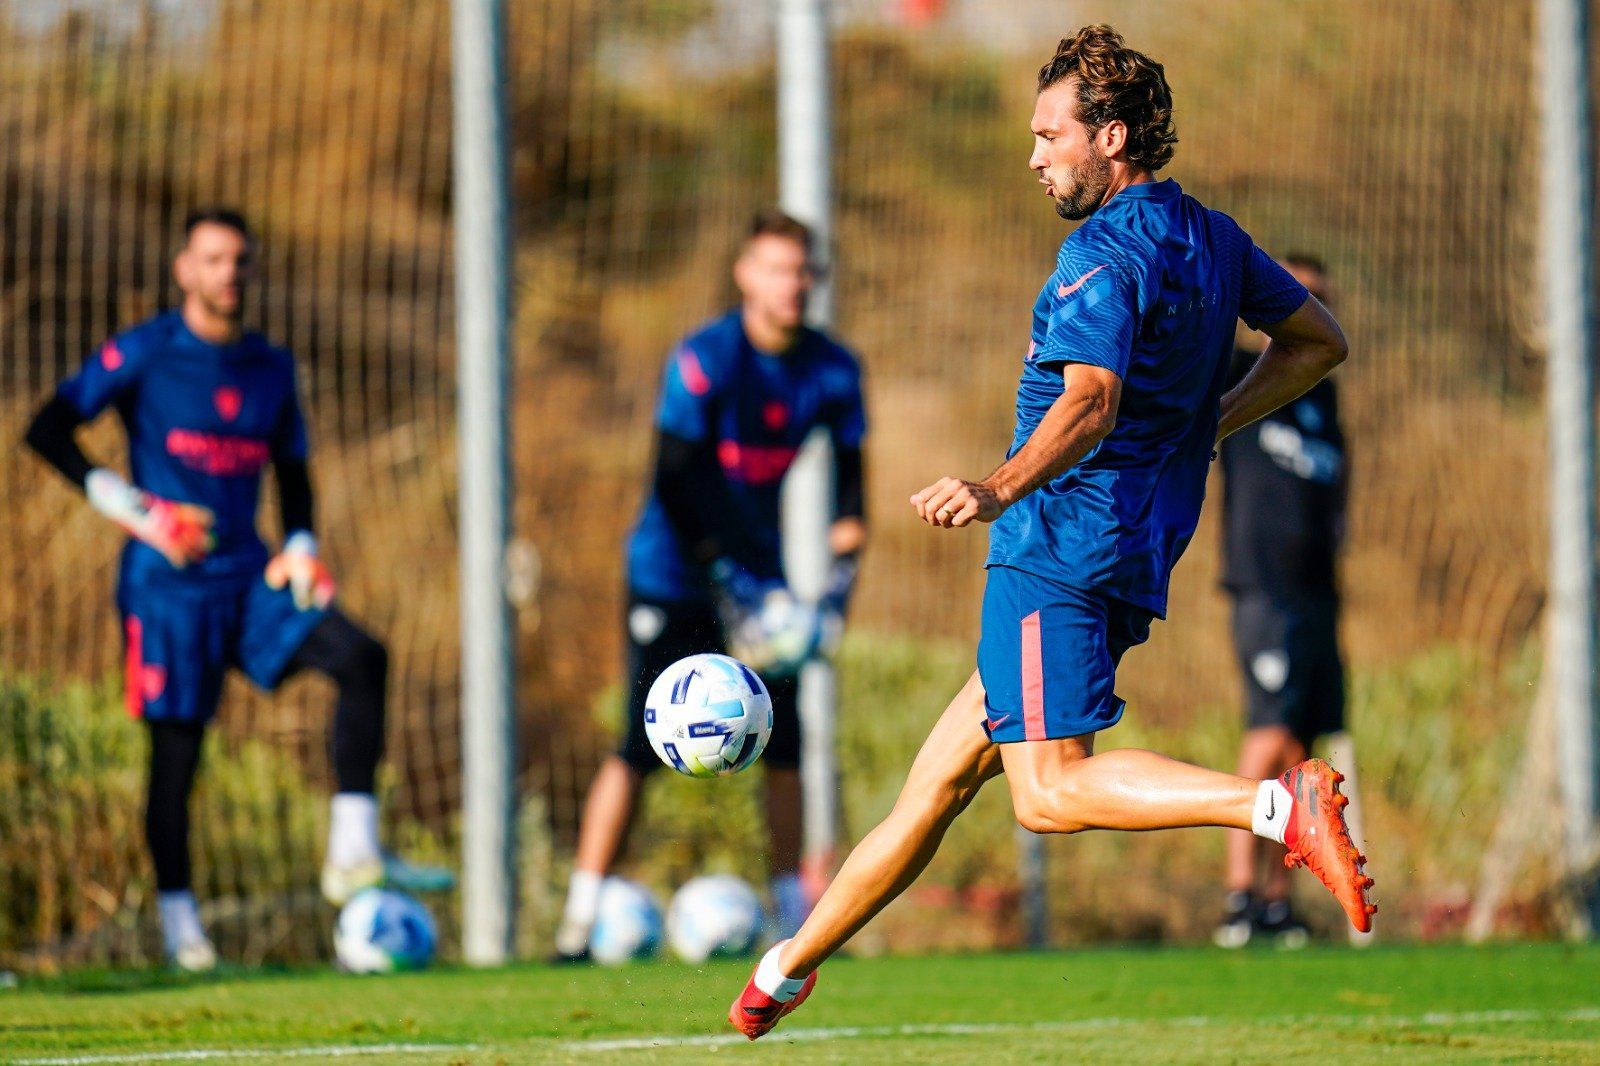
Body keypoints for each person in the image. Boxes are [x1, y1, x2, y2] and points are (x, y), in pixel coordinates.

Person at [728, 26, 1372, 1039]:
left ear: (1110, 137)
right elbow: (1316, 342)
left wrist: (993, 486)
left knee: (1048, 793)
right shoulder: (1209, 235)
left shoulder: (1102, 252)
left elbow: (1090, 401)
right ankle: (785, 965)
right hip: (1130, 549)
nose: (1033, 156)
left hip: (1059, 547)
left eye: (1048, 135)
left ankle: (1274, 808)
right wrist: (1211, 420)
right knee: (936, 785)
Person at [23, 209, 451, 971]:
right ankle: (184, 933)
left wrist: (302, 547)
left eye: (240, 261)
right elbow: (48, 427)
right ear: (185, 270)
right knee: (177, 758)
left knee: (362, 656)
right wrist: (141, 512)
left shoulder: (270, 366)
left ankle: (352, 850)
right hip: (167, 589)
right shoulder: (148, 352)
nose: (228, 273)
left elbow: (292, 471)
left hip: (252, 578)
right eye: (213, 259)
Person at [552, 210, 869, 960]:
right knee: (637, 740)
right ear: (745, 275)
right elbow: (674, 474)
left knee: (784, 738)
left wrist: (832, 599)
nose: (790, 285)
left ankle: (798, 917)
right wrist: (730, 579)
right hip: (674, 573)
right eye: (775, 269)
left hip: (763, 583)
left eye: (801, 271)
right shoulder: (705, 358)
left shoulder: (833, 369)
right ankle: (578, 916)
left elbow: (852, 494)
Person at [1214, 255, 1348, 949]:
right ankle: (1239, 896)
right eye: (1297, 299)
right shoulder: (1239, 372)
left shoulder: (1323, 399)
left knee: (1302, 745)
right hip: (1261, 588)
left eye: (1319, 301)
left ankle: (1276, 900)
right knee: (1266, 736)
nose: (1307, 312)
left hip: (1316, 597)